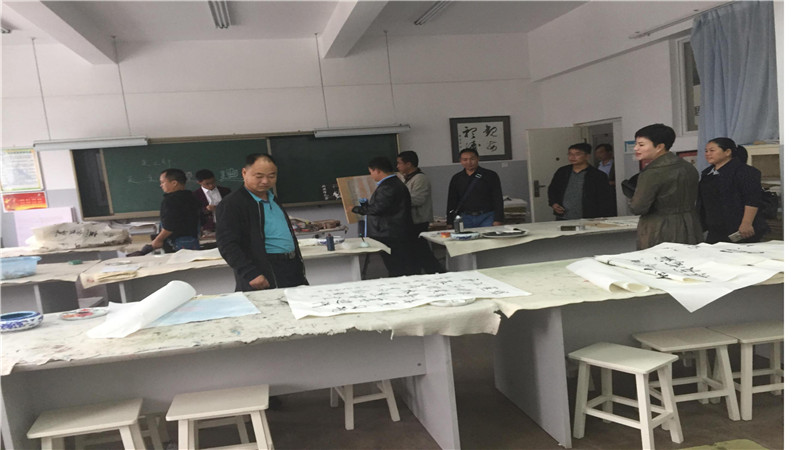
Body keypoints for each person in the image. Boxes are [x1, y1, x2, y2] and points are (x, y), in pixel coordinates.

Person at [216, 154, 308, 291]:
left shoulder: (273, 199)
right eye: (259, 176)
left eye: (271, 176)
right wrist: (250, 273)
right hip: (263, 269)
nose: (265, 181)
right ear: (244, 173)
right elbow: (227, 244)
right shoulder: (232, 203)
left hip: (291, 266)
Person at [629, 123, 703, 249]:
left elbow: (638, 208)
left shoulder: (652, 172)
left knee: (660, 260)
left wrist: (632, 197)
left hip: (660, 228)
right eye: (636, 144)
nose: (636, 148)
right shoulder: (688, 167)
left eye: (641, 145)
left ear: (659, 147)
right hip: (690, 225)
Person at [351, 156, 416, 277]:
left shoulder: (388, 186)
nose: (371, 175)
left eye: (371, 172)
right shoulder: (394, 183)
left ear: (377, 170)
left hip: (391, 233)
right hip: (395, 231)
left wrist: (356, 209)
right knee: (399, 265)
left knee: (396, 267)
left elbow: (378, 208)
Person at [697, 137, 769, 244]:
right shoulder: (707, 173)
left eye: (712, 150)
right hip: (715, 226)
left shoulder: (745, 172)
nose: (708, 154)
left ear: (727, 152)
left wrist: (747, 223)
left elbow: (752, 199)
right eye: (706, 151)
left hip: (739, 227)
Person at [397, 151, 446, 274]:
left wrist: (396, 200)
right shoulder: (406, 178)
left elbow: (418, 199)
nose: (397, 166)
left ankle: (437, 273)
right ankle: (418, 273)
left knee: (422, 251)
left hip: (418, 221)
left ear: (408, 164)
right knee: (415, 252)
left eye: (399, 163)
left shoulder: (420, 178)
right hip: (409, 221)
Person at [547, 143, 615, 220]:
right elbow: (552, 189)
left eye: (577, 154)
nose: (572, 157)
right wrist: (553, 203)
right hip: (563, 216)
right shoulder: (562, 171)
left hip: (589, 217)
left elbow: (605, 199)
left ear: (587, 156)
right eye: (570, 154)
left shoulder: (598, 175)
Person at [446, 148, 504, 228]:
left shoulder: (490, 175)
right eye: (465, 160)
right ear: (461, 161)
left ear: (478, 159)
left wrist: (498, 219)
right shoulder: (457, 178)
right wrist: (449, 222)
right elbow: (452, 201)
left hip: (487, 216)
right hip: (465, 217)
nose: (469, 162)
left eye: (472, 159)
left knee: (487, 236)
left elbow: (498, 198)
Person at [151, 168, 201, 252]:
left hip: (177, 243)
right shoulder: (192, 197)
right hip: (193, 240)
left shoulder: (170, 200)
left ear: (174, 183)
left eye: (163, 182)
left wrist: (158, 240)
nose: (161, 185)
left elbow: (169, 226)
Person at [193, 169, 231, 234]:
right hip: (208, 227)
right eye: (207, 184)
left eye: (213, 182)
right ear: (199, 182)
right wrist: (206, 209)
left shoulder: (225, 191)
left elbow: (233, 206)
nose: (211, 185)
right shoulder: (195, 195)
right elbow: (194, 212)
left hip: (227, 224)